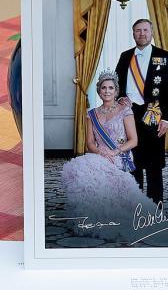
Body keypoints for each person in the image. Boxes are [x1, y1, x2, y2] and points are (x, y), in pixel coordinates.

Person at [60, 72, 154, 236]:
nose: (107, 91)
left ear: (116, 91)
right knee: (80, 169)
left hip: (120, 155)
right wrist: (100, 151)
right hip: (99, 154)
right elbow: (90, 143)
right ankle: (92, 216)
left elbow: (134, 140)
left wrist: (114, 151)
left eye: (111, 88)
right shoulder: (92, 114)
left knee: (94, 170)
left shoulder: (125, 111)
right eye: (104, 88)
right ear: (99, 91)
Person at [114, 20, 168, 205]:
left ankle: (156, 206)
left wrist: (167, 119)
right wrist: (120, 98)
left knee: (154, 164)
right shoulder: (125, 56)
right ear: (133, 34)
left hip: (154, 113)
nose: (142, 34)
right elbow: (116, 84)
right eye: (138, 30)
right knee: (132, 161)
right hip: (129, 113)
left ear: (152, 32)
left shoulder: (164, 56)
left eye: (145, 30)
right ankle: (135, 205)